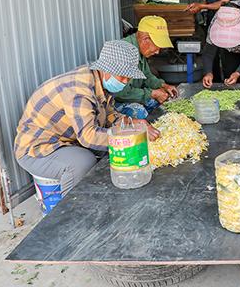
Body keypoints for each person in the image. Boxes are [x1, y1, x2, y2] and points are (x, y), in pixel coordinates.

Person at [14, 40, 161, 196]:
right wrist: (133, 137)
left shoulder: (100, 84)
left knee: (112, 150)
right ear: (106, 69)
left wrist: (133, 124)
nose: (125, 82)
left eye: (128, 78)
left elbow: (110, 116)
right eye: (122, 77)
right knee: (83, 162)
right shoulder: (80, 90)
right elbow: (88, 137)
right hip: (37, 150)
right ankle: (71, 211)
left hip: (66, 141)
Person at [114, 15, 178, 119]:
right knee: (139, 111)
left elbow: (147, 76)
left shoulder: (139, 50)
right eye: (156, 46)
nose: (157, 52)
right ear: (145, 39)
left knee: (161, 103)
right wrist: (152, 93)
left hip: (131, 95)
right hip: (114, 102)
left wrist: (163, 85)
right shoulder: (122, 52)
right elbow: (120, 93)